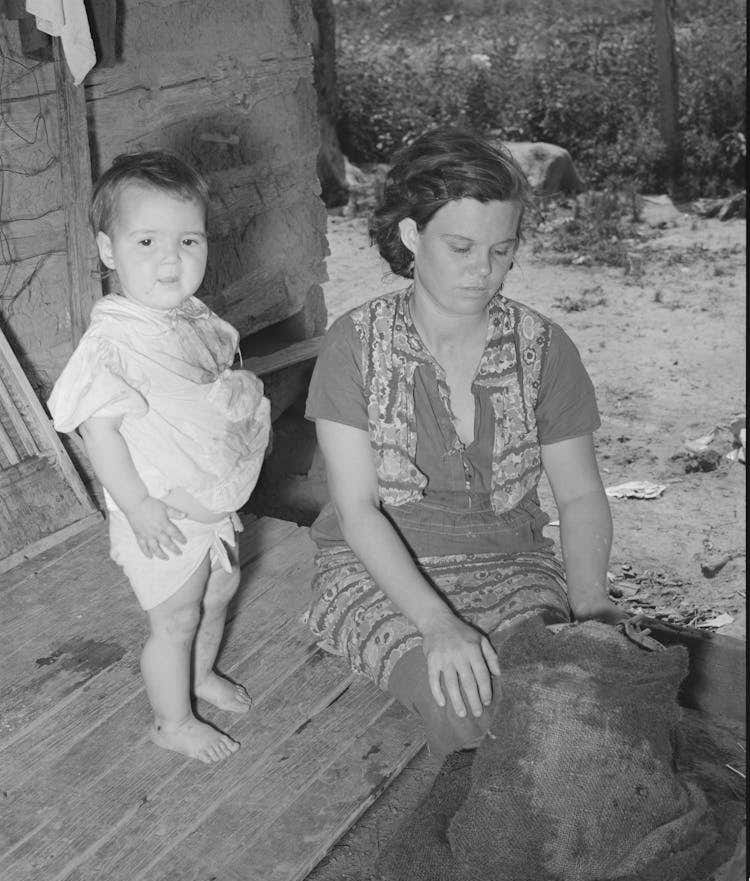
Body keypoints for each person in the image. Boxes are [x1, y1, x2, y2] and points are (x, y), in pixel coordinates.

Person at [304, 126, 625, 759]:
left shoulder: (542, 348)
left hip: (510, 560)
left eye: (502, 251)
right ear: (409, 237)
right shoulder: (355, 345)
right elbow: (357, 508)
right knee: (466, 707)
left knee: (573, 692)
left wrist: (589, 609)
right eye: (460, 247)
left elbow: (582, 495)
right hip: (378, 567)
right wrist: (436, 623)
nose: (484, 272)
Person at [48, 150, 271, 764]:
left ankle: (198, 679)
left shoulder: (191, 318)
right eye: (146, 240)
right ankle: (171, 722)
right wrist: (139, 506)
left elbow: (204, 393)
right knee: (174, 618)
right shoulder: (112, 345)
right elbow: (102, 435)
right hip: (160, 512)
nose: (171, 258)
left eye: (188, 239)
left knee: (221, 592)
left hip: (206, 500)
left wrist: (239, 398)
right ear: (107, 250)